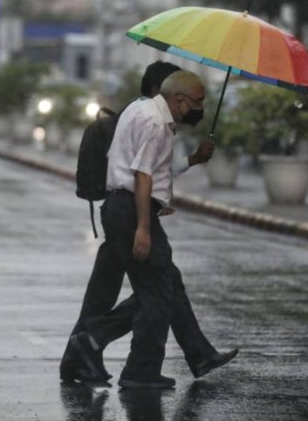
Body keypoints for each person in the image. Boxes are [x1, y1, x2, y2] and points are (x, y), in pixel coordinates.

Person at [67, 70, 237, 389]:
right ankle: (125, 361)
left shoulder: (140, 109)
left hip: (127, 207)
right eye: (197, 102)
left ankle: (197, 355)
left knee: (164, 285)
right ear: (179, 99)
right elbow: (142, 175)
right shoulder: (156, 123)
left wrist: (193, 160)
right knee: (158, 293)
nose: (200, 109)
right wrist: (144, 226)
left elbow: (154, 170)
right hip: (131, 212)